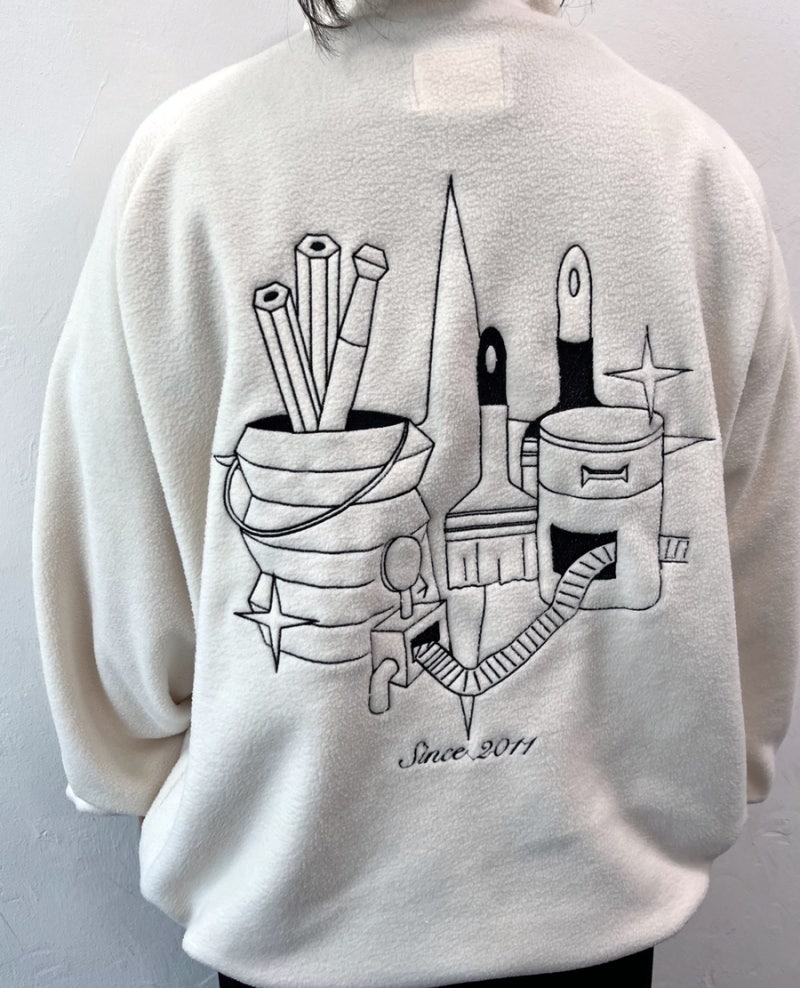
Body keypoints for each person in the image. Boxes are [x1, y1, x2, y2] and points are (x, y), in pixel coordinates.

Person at [31, 0, 799, 986]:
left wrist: (148, 774)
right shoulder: (691, 167)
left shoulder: (191, 167)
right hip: (596, 900)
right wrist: (715, 765)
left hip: (298, 902)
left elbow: (115, 600)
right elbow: (757, 577)